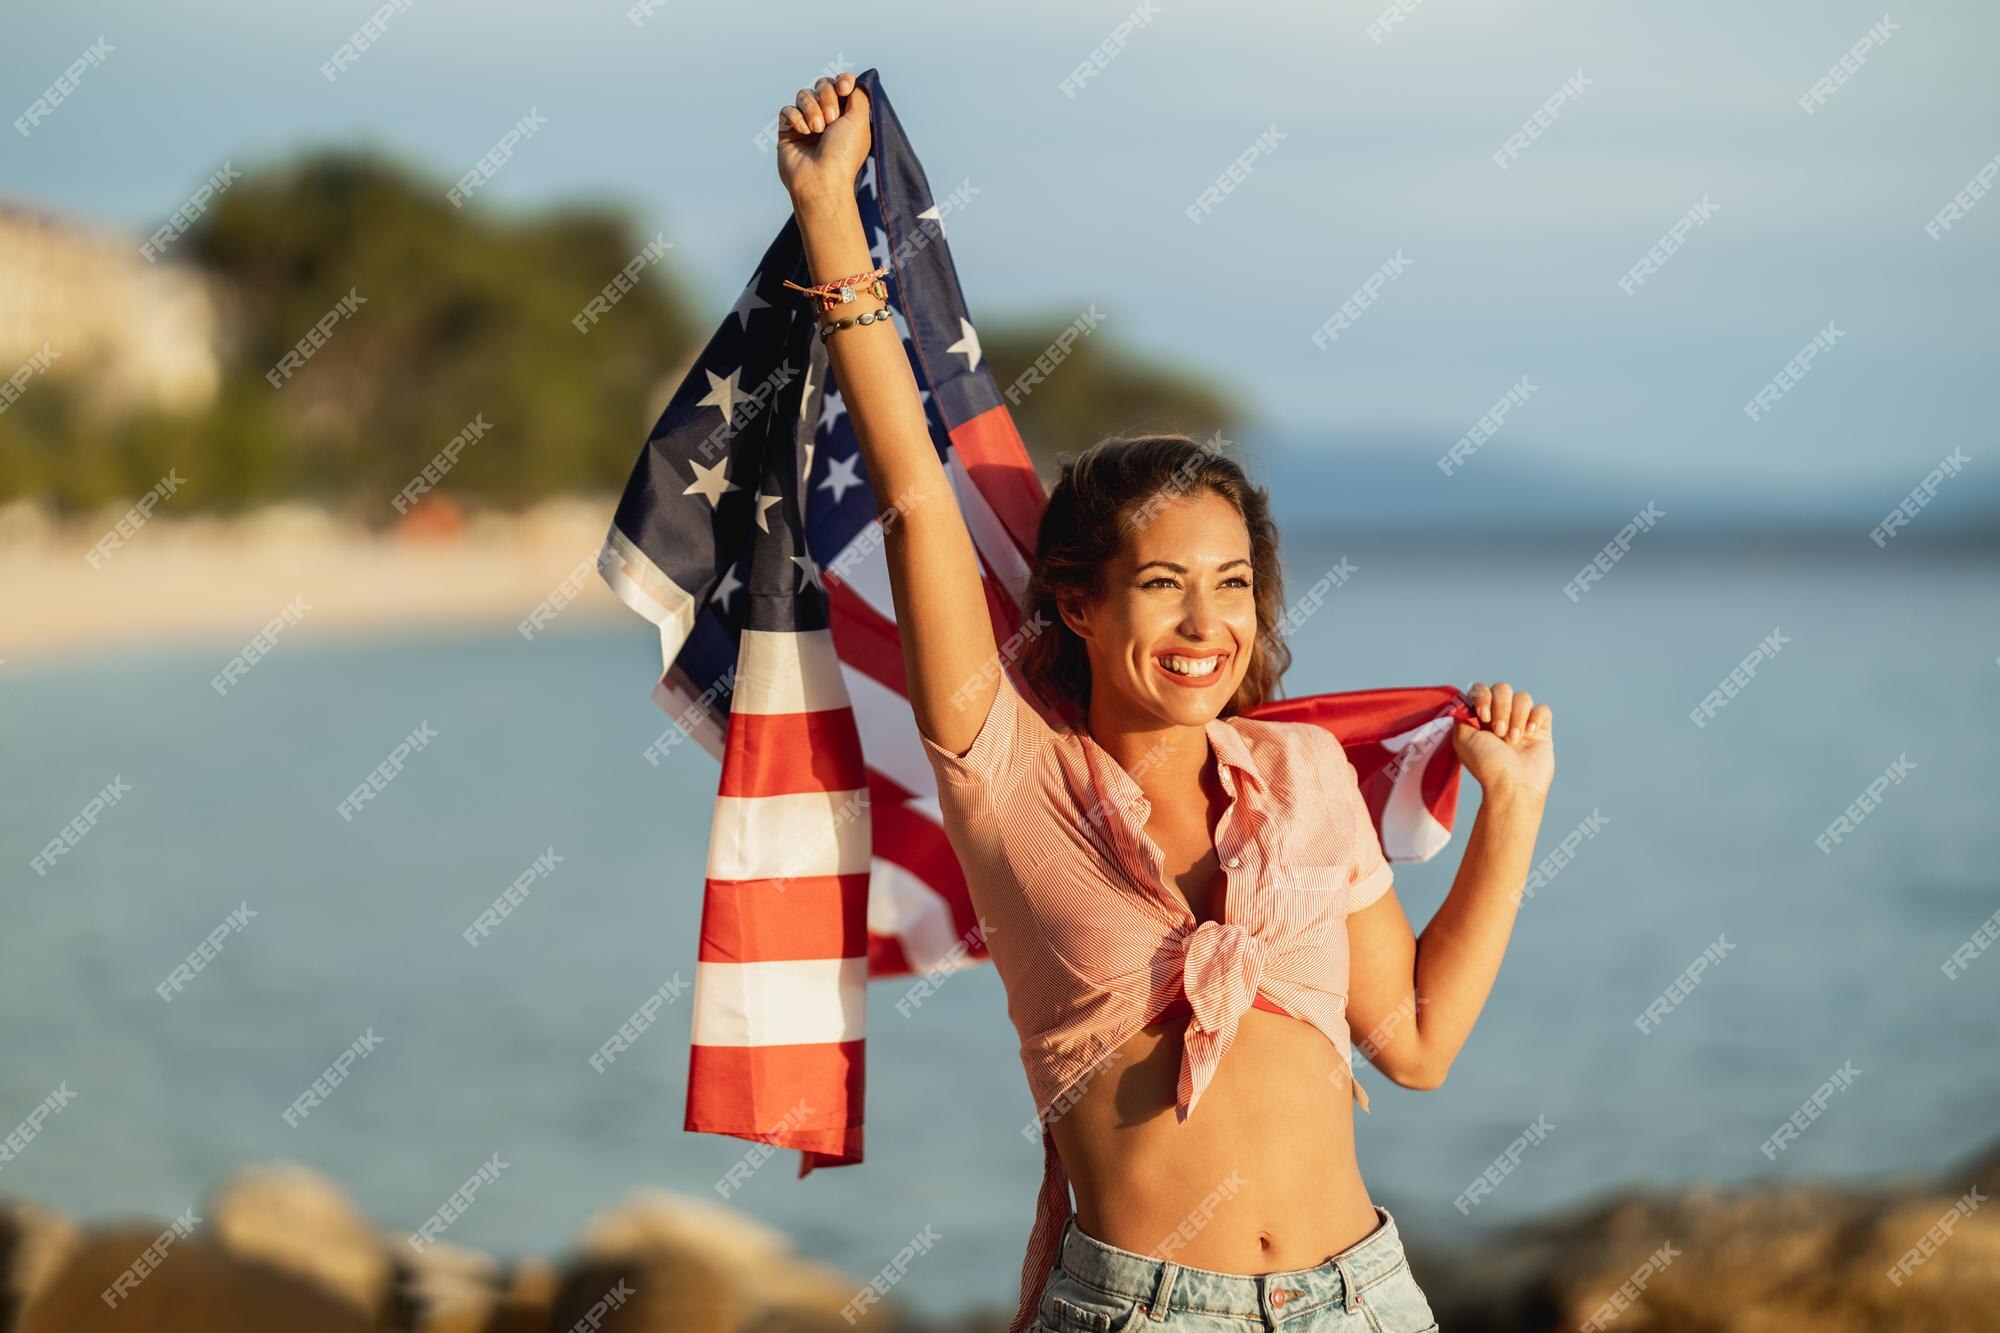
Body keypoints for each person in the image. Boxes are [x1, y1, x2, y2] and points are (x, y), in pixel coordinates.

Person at [777, 70, 1555, 1333]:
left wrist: (1511, 810)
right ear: (1077, 602)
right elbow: (920, 498)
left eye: (1233, 585)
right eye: (1163, 586)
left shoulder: (1301, 784)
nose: (1208, 626)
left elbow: (1411, 1042)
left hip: (1362, 1298)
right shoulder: (1005, 767)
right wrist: (830, 223)